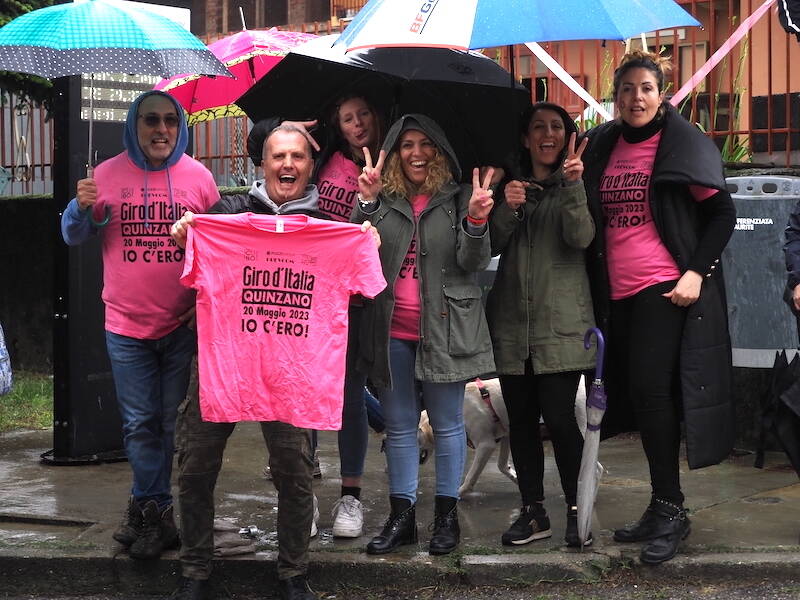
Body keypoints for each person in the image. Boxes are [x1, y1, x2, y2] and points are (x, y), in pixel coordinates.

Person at [168, 124, 380, 600]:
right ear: (261, 164)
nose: (288, 165)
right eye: (278, 156)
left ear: (311, 166)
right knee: (196, 464)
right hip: (224, 361)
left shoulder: (329, 225)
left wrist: (365, 240)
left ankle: (293, 572)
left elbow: (362, 288)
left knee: (294, 469)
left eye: (298, 157)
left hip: (293, 369)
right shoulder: (226, 214)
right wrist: (187, 235)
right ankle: (195, 570)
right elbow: (192, 264)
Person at [581, 51, 736, 564]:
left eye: (646, 88)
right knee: (642, 398)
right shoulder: (603, 144)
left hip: (661, 286)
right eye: (626, 89)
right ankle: (661, 503)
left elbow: (721, 213)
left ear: (662, 93)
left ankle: (671, 509)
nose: (636, 98)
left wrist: (694, 272)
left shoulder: (681, 144)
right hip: (616, 291)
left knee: (652, 391)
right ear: (616, 96)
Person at [60, 90, 220, 560]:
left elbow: (217, 252)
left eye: (171, 121)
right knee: (138, 424)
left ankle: (145, 507)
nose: (161, 130)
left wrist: (204, 302)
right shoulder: (104, 176)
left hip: (181, 326)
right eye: (151, 120)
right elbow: (73, 235)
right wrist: (80, 207)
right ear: (134, 124)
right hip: (126, 327)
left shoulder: (200, 178)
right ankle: (156, 511)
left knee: (170, 424)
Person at [352, 113, 496, 556]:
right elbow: (359, 249)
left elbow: (474, 262)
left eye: (425, 143)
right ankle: (402, 518)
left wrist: (475, 221)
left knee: (450, 425)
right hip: (391, 328)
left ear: (439, 150)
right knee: (398, 427)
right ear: (395, 152)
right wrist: (369, 202)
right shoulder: (385, 198)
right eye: (407, 144)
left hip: (446, 327)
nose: (416, 153)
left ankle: (446, 518)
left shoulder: (456, 199)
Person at [251, 92, 386, 539]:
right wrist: (282, 122)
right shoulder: (320, 151)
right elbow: (261, 145)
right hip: (303, 295)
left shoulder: (389, 159)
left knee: (349, 399)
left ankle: (350, 495)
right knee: (299, 399)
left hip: (350, 295)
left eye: (363, 113)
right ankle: (302, 494)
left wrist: (369, 205)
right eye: (347, 117)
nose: (357, 123)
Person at [486, 102, 595, 548]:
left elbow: (581, 237)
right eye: (538, 127)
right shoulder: (510, 190)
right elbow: (488, 245)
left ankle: (577, 508)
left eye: (556, 127)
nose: (547, 135)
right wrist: (504, 207)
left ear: (568, 137)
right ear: (526, 138)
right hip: (513, 327)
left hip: (561, 327)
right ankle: (533, 512)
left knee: (561, 420)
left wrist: (572, 187)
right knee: (522, 423)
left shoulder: (574, 185)